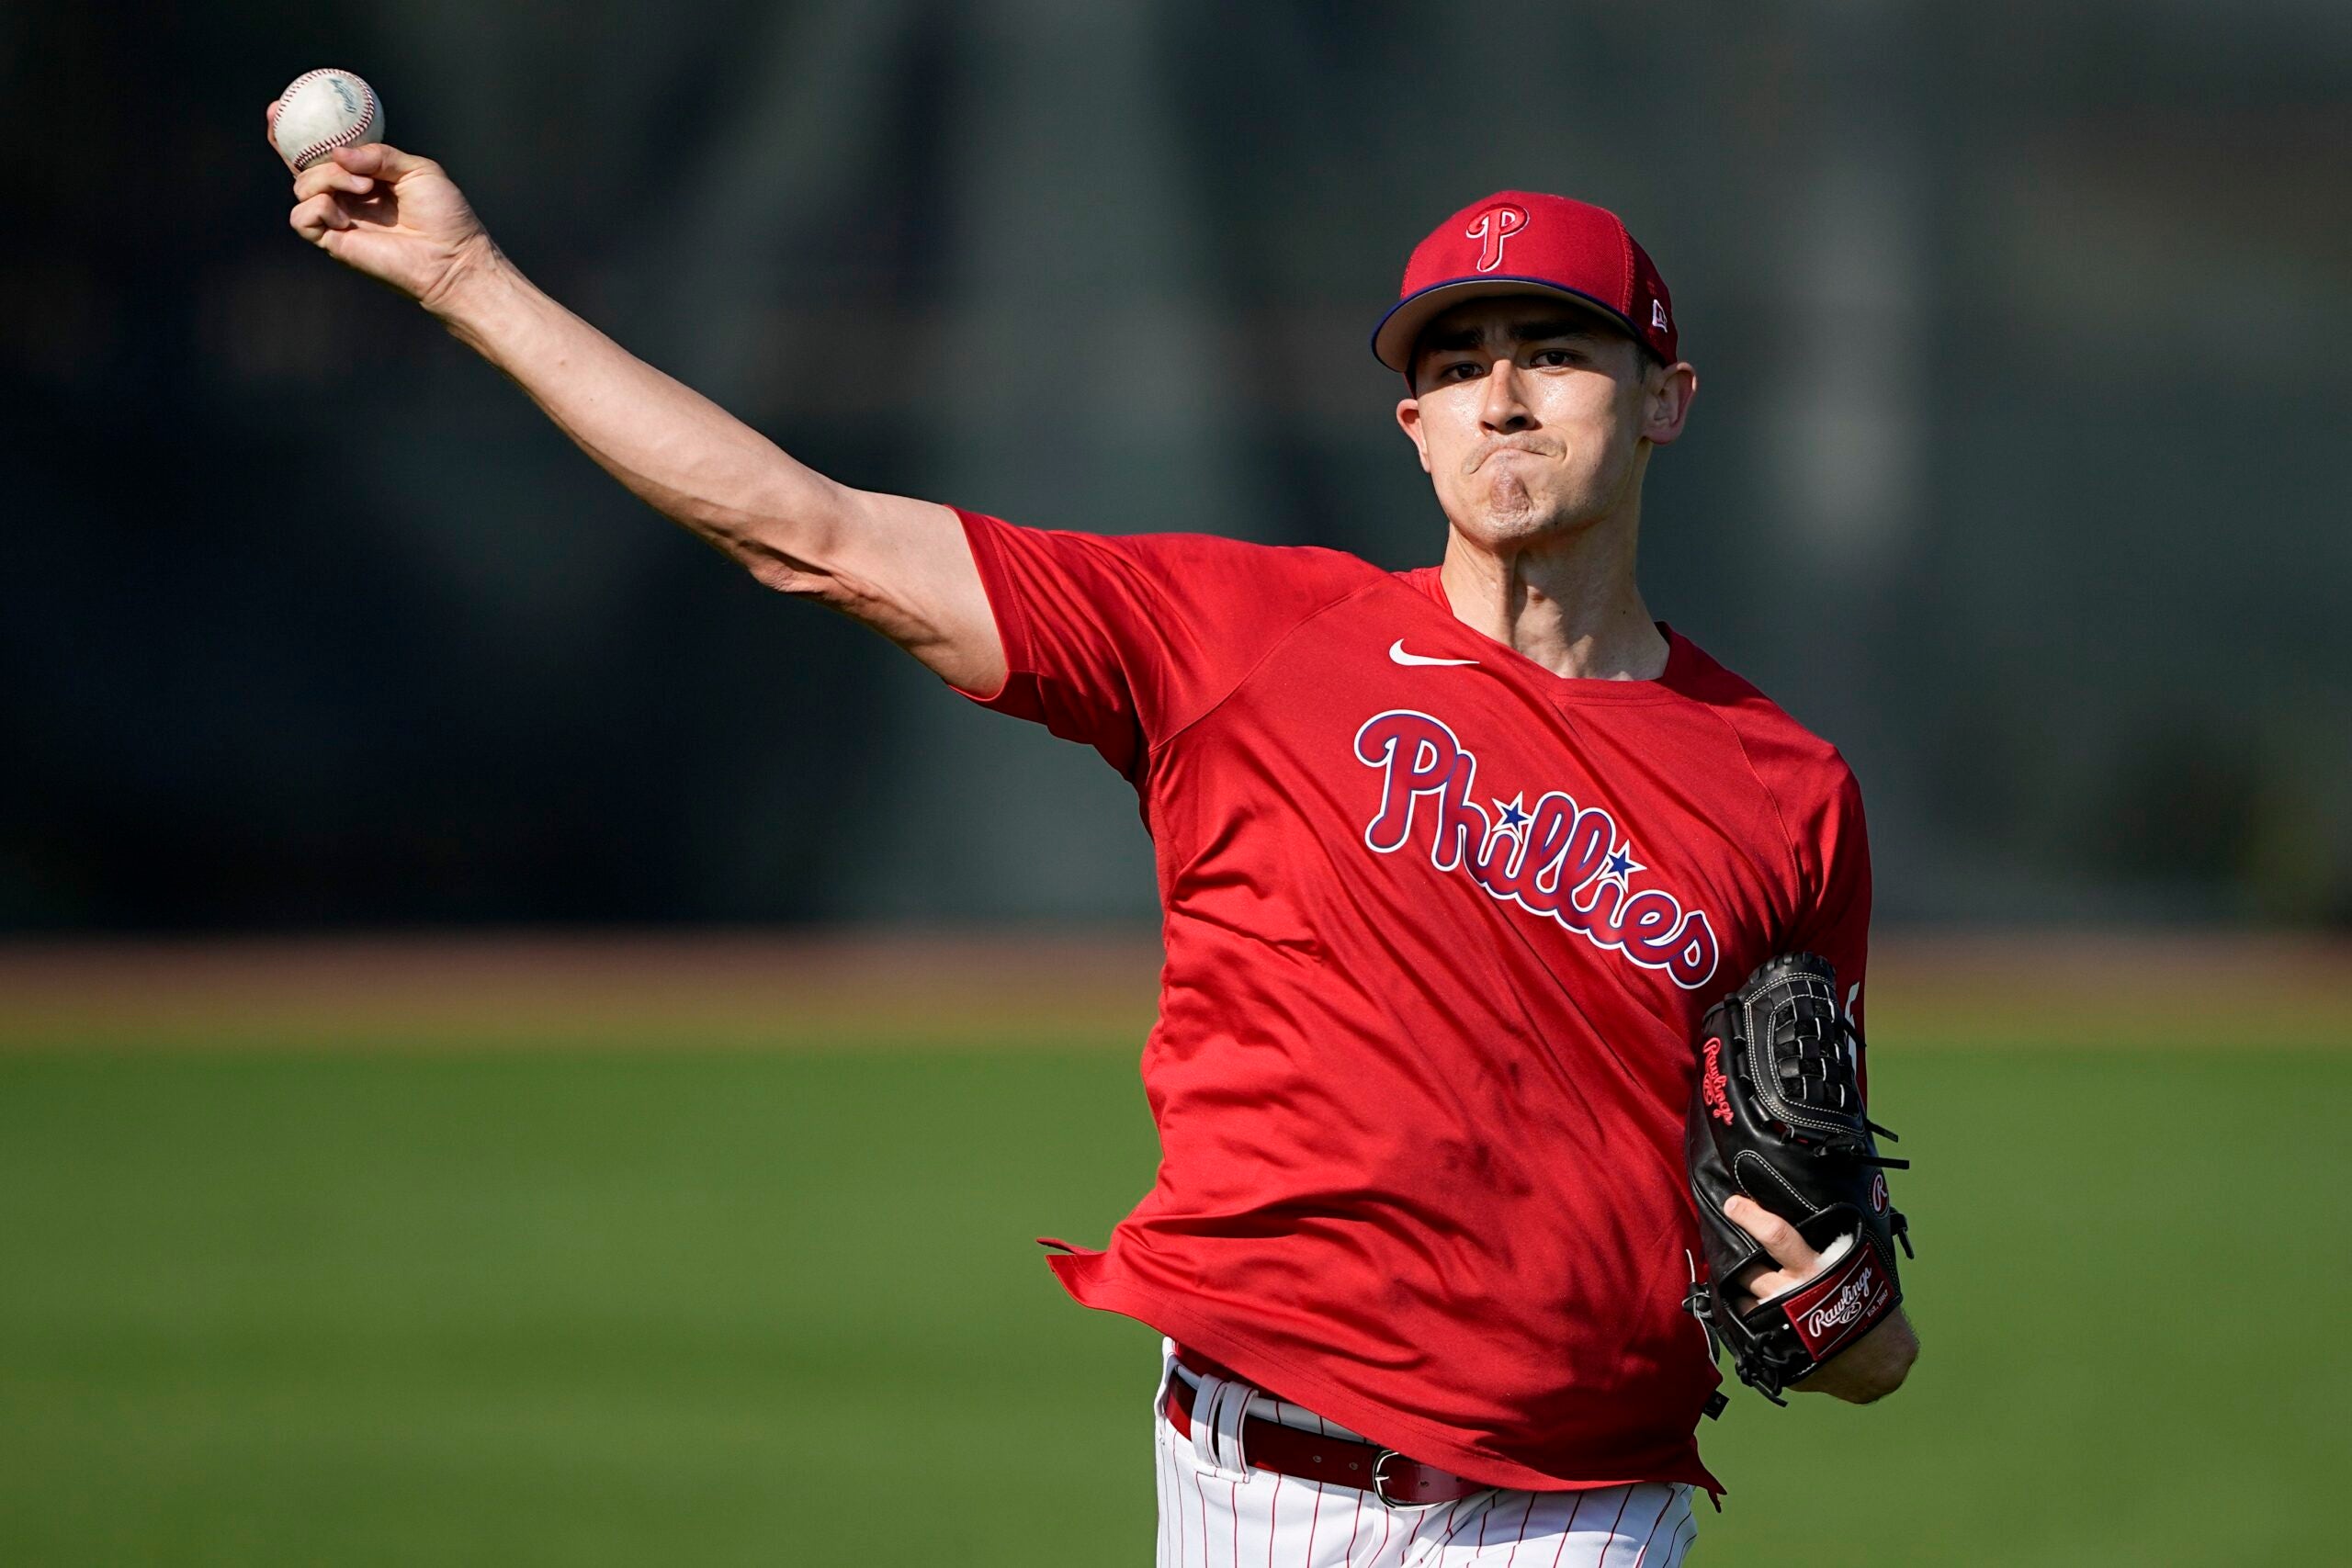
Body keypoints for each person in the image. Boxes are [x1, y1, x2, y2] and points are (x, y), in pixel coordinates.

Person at [277, 107, 1917, 1563]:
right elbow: (809, 531)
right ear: (1409, 425)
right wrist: (468, 279)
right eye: (1450, 357)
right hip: (1258, 1494)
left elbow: (1831, 1273)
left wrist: (1849, 1317)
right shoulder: (1241, 639)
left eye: (1552, 349)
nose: (1498, 396)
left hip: (1584, 1506)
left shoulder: (1781, 787)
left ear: (1665, 399)